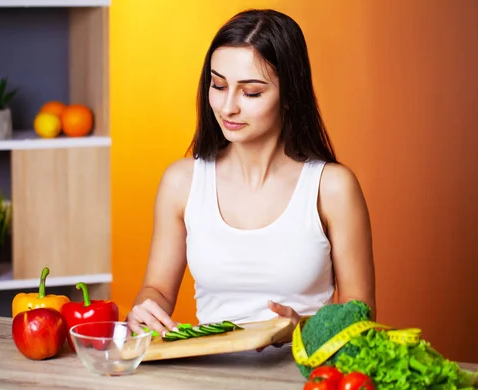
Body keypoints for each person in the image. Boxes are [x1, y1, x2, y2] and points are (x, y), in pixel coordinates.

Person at [127, 9, 376, 342]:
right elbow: (156, 289)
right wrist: (146, 309)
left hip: (305, 377)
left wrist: (299, 328)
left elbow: (361, 318)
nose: (227, 107)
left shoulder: (331, 187)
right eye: (218, 85)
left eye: (251, 92)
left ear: (289, 96)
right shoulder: (181, 182)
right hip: (212, 380)